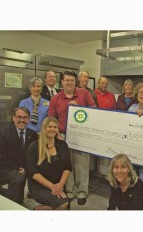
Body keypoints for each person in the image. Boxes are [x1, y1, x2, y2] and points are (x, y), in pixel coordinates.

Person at [48, 70, 96, 205]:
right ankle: (69, 191)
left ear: (75, 82)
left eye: (72, 80)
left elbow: (95, 110)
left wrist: (79, 108)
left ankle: (81, 192)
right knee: (66, 165)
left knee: (82, 164)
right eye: (67, 80)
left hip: (82, 135)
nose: (69, 83)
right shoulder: (55, 98)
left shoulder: (84, 94)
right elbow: (51, 119)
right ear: (61, 82)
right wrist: (57, 134)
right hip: (63, 136)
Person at [0, 107, 38, 205]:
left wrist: (25, 167)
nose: (22, 120)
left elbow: (32, 156)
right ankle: (15, 205)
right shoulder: (3, 133)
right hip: (4, 168)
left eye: (25, 117)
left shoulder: (32, 134)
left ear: (29, 119)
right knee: (19, 177)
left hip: (24, 167)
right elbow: (1, 156)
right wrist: (18, 168)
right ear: (13, 118)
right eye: (19, 117)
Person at [26, 117, 72, 210]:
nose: (52, 129)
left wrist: (60, 185)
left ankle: (38, 210)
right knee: (63, 204)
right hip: (39, 185)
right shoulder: (34, 146)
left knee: (64, 207)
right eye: (49, 126)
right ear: (44, 128)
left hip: (58, 184)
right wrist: (53, 188)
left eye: (55, 127)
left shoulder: (63, 145)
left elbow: (67, 168)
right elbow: (33, 173)